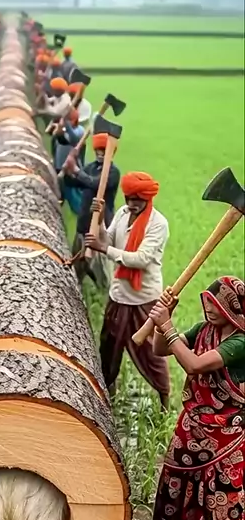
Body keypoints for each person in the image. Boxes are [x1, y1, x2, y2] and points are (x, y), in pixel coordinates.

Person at [149, 277, 244, 520]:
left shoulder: (240, 342)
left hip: (224, 434)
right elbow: (160, 348)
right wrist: (165, 321)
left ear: (233, 309)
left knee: (219, 495)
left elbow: (194, 365)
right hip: (192, 426)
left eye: (216, 304)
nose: (209, 309)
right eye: (208, 302)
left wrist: (166, 324)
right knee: (176, 483)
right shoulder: (204, 331)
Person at [84, 171, 171, 409]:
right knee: (109, 347)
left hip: (144, 299)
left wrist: (103, 249)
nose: (132, 204)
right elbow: (108, 239)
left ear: (148, 199)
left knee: (151, 355)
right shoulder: (122, 214)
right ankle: (106, 393)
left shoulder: (158, 224)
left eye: (138, 200)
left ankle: (164, 400)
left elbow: (141, 259)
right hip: (119, 295)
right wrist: (100, 220)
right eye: (129, 198)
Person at [64, 132, 120, 288]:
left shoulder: (113, 172)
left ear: (111, 153)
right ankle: (77, 287)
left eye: (104, 151)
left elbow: (94, 183)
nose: (100, 154)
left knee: (101, 268)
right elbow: (76, 182)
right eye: (98, 151)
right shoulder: (91, 167)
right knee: (78, 264)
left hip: (101, 224)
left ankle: (104, 290)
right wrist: (68, 171)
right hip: (84, 221)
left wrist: (76, 171)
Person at [52, 109, 85, 215]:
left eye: (70, 120)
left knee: (74, 196)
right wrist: (60, 126)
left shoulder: (80, 131)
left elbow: (73, 139)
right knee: (59, 194)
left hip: (72, 169)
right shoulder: (64, 131)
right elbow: (58, 138)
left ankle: (83, 214)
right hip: (59, 167)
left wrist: (66, 124)